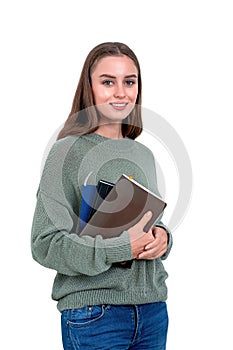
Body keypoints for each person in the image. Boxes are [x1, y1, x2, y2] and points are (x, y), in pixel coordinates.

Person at [31, 42, 173, 350]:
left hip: (152, 311)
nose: (121, 92)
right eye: (108, 82)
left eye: (129, 82)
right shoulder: (66, 153)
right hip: (95, 315)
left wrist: (163, 238)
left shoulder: (144, 154)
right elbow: (44, 244)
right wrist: (118, 248)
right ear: (90, 88)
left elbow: (151, 224)